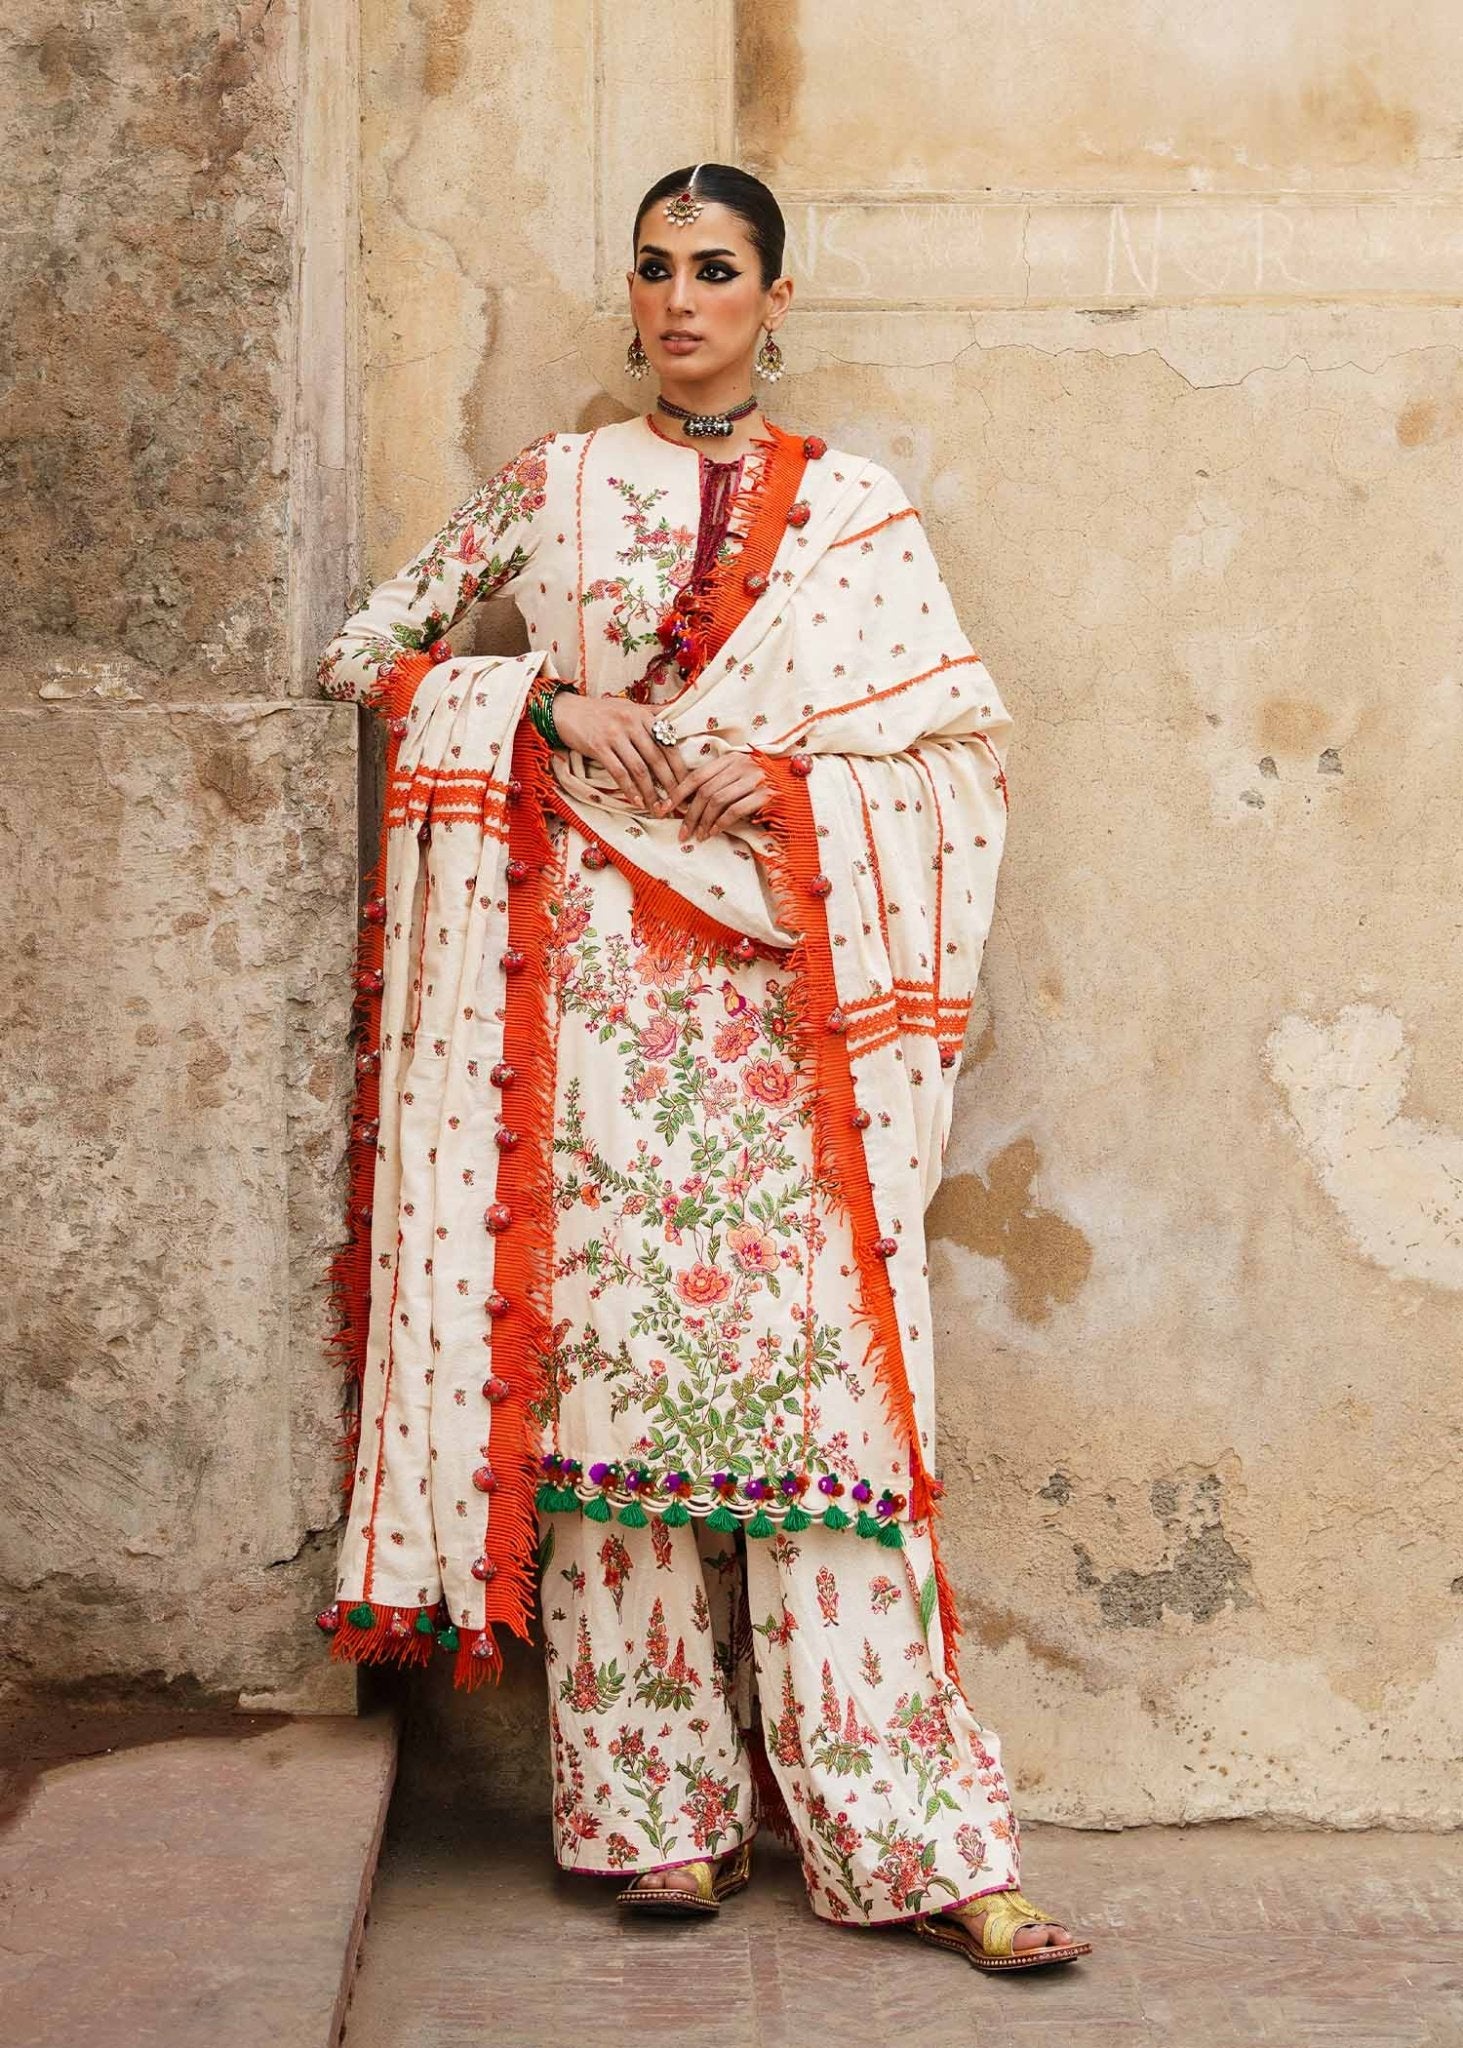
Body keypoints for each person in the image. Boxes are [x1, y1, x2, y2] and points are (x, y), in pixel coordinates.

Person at [313, 160, 1091, 1972]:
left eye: (718, 270)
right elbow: (373, 645)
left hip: (785, 1020)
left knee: (817, 1408)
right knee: (613, 1407)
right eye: (656, 270)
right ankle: (653, 1813)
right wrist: (538, 701)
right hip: (589, 1009)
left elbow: (961, 753)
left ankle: (910, 1837)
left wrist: (803, 787)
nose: (682, 301)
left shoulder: (859, 518)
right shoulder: (558, 489)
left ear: (774, 295)